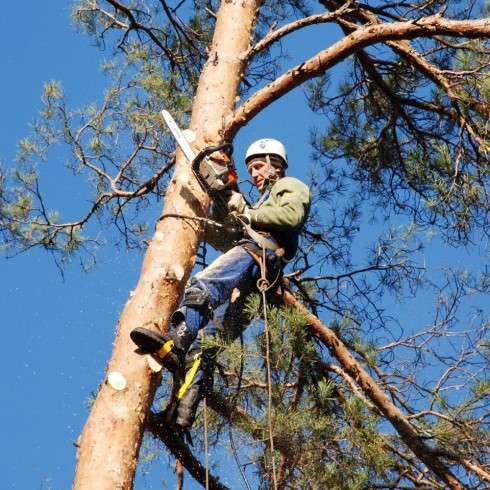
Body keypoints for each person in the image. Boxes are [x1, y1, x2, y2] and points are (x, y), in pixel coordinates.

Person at [130, 138, 311, 430]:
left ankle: (177, 338)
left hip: (261, 254)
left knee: (205, 284)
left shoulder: (289, 186)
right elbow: (229, 238)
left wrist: (249, 214)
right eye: (250, 169)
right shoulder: (261, 202)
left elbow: (291, 216)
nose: (254, 175)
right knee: (209, 341)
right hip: (258, 276)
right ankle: (182, 414)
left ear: (275, 163)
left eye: (257, 167)